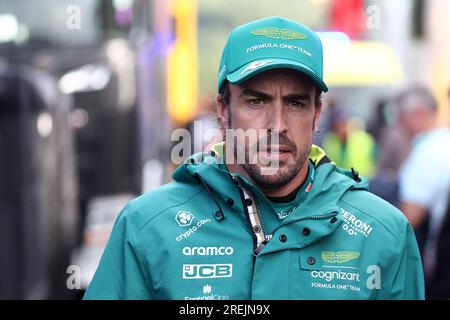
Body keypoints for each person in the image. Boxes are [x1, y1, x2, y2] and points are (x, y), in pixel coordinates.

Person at [84, 16, 424, 300]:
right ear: (223, 109)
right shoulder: (148, 228)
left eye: (295, 103)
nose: (277, 125)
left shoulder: (383, 235)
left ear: (317, 114)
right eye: (256, 101)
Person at [397, 87, 450, 297]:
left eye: (400, 116)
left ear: (418, 113)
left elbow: (407, 221)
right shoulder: (444, 141)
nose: (398, 124)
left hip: (438, 270)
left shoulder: (427, 153)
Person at [322, 105, 376, 178]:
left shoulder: (364, 139)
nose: (342, 129)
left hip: (363, 182)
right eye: (338, 125)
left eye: (344, 123)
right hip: (341, 184)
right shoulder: (330, 142)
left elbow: (376, 160)